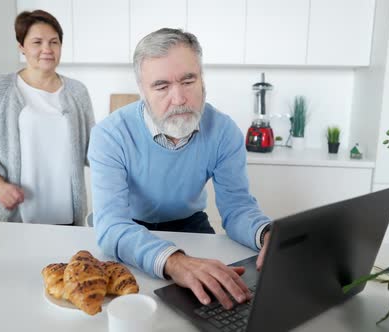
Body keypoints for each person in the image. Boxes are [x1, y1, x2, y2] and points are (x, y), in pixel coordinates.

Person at [88, 28, 271, 309]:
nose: (179, 98)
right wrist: (174, 261)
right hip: (130, 226)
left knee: (218, 299)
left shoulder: (224, 131)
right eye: (161, 86)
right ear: (142, 91)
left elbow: (238, 209)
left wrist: (266, 233)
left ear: (202, 79)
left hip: (190, 223)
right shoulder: (110, 135)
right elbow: (111, 224)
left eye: (188, 80)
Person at [0, 10, 95, 226]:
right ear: (21, 46)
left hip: (68, 219)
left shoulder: (77, 91)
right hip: (16, 218)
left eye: (54, 42)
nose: (47, 49)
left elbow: (93, 149)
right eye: (37, 42)